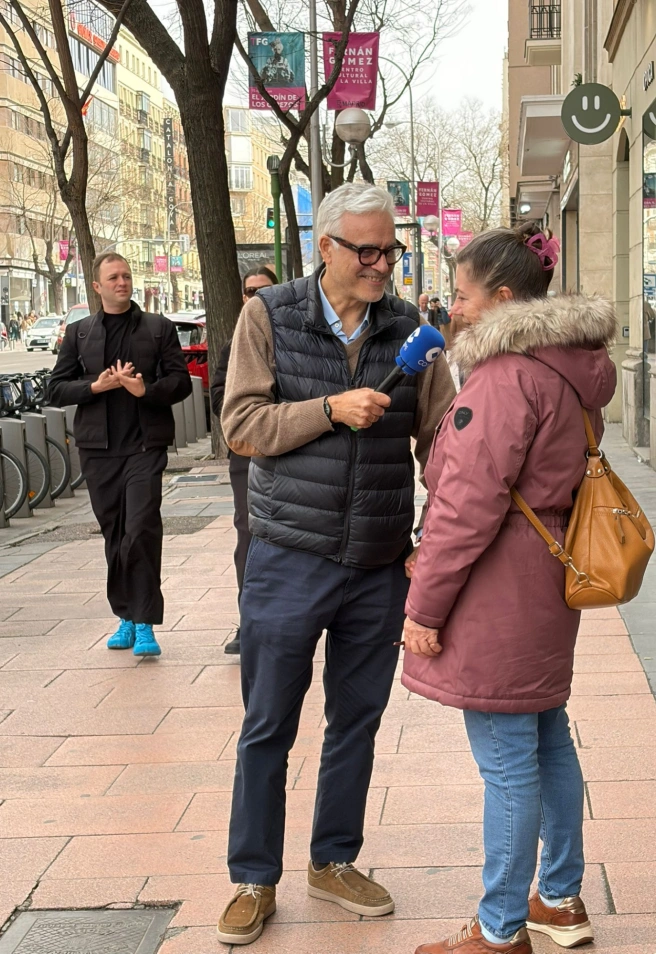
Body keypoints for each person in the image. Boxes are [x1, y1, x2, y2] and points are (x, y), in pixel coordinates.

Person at [217, 181, 456, 945]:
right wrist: (330, 408)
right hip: (289, 555)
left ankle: (334, 859)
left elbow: (443, 442)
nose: (382, 263)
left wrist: (431, 536)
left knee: (356, 719)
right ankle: (254, 877)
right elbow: (242, 426)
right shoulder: (269, 315)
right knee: (268, 724)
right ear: (324, 247)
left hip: (380, 563)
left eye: (390, 248)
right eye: (367, 250)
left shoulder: (410, 328)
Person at [401, 223, 617, 954]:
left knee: (507, 760)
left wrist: (424, 608)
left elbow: (464, 507)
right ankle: (558, 897)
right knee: (547, 733)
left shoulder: (504, 378)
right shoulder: (569, 367)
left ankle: (498, 930)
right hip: (550, 574)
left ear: (500, 298)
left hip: (499, 586)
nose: (452, 310)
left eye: (461, 297)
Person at [48, 253, 192, 657]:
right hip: (98, 450)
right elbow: (56, 389)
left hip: (145, 446)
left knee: (142, 528)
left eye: (127, 276)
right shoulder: (78, 333)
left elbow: (180, 381)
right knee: (115, 534)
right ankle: (125, 615)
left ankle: (144, 622)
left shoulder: (157, 328)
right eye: (113, 278)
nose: (122, 283)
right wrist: (97, 386)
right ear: (97, 287)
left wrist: (143, 390)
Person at [210, 265, 278, 656]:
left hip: (293, 453)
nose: (256, 298)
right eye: (250, 292)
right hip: (249, 456)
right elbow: (222, 400)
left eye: (263, 291)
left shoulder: (292, 337)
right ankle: (249, 622)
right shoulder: (234, 343)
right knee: (248, 535)